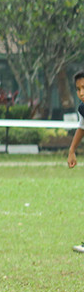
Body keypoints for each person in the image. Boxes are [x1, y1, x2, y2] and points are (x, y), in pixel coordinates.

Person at [67, 70, 84, 252]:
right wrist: (72, 150)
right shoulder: (82, 108)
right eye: (78, 89)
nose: (81, 93)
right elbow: (82, 127)